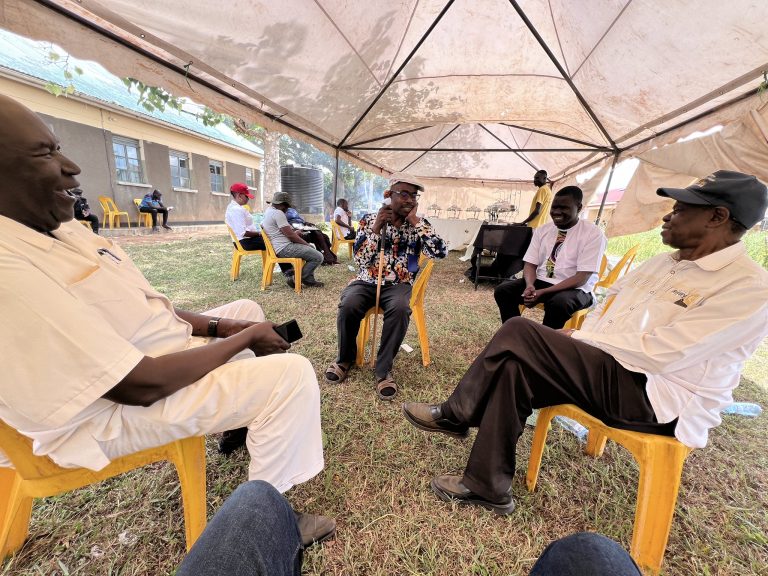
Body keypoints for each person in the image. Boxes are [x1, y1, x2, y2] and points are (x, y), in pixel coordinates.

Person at [0, 94, 334, 546]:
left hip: (149, 357)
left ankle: (238, 418)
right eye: (45, 153)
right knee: (290, 374)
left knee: (244, 310)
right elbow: (139, 386)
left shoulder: (55, 228)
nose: (72, 166)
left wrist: (222, 328)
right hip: (106, 410)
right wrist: (242, 342)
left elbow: (144, 305)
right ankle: (268, 524)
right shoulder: (8, 266)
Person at [402, 170, 768, 514]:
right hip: (607, 371)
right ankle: (486, 485)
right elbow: (605, 314)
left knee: (519, 331)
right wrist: (582, 341)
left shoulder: (748, 287)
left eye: (681, 209)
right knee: (515, 366)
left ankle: (456, 414)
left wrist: (579, 338)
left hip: (658, 399)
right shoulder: (660, 264)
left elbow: (665, 353)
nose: (668, 217)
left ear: (718, 217)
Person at [325, 174, 447, 400]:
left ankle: (383, 370)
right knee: (349, 304)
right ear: (389, 195)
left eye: (413, 195)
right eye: (404, 194)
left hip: (398, 284)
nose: (409, 199)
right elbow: (360, 261)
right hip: (367, 280)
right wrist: (377, 228)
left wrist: (416, 223)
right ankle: (345, 359)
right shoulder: (369, 219)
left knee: (401, 308)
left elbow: (440, 252)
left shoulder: (419, 225)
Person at [494, 186, 606, 328]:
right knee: (503, 291)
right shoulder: (543, 230)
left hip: (576, 288)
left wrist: (543, 292)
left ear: (579, 207)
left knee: (559, 304)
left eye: (564, 208)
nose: (557, 212)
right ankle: (515, 333)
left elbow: (581, 278)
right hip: (542, 282)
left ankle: (545, 345)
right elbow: (530, 263)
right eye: (554, 207)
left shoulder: (593, 234)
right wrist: (530, 285)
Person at [261, 191, 324, 288]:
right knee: (318, 256)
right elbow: (290, 236)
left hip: (279, 247)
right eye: (287, 207)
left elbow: (283, 233)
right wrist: (306, 244)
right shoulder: (278, 213)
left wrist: (295, 234)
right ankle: (297, 279)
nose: (287, 210)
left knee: (311, 252)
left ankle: (309, 279)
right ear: (283, 205)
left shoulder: (269, 211)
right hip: (285, 248)